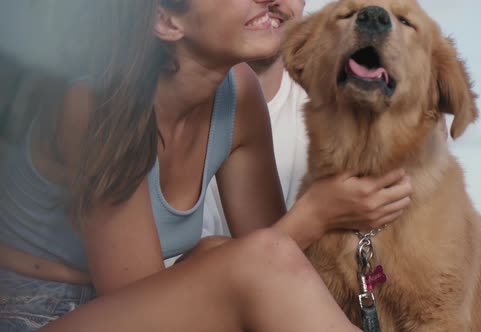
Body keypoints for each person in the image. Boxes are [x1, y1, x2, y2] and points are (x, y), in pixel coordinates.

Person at [0, 0, 413, 331]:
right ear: (166, 20)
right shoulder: (95, 103)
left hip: (131, 306)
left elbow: (279, 270)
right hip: (35, 312)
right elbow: (144, 301)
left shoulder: (238, 92)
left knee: (219, 251)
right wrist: (316, 212)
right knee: (246, 257)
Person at [201, 1, 481, 331]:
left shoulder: (353, 58)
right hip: (260, 294)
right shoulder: (194, 100)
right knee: (216, 255)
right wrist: (317, 213)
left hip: (356, 259)